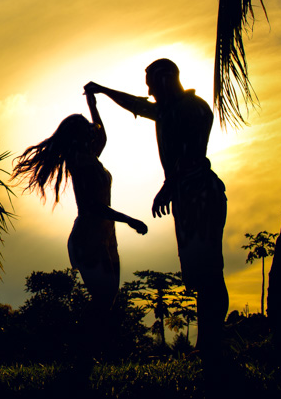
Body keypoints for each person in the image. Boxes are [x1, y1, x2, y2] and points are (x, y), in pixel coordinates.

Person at [84, 58, 229, 363]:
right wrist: (102, 91)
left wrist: (168, 185)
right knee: (200, 275)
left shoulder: (194, 109)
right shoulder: (166, 111)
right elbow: (135, 103)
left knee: (210, 273)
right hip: (186, 196)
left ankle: (213, 344)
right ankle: (207, 345)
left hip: (201, 193)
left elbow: (190, 152)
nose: (148, 89)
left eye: (151, 81)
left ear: (164, 80)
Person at [13, 91, 148, 316]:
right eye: (86, 125)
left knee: (108, 299)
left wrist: (92, 103)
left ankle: (95, 348)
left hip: (104, 235)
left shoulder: (91, 158)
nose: (91, 128)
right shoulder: (82, 163)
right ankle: (85, 346)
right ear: (79, 134)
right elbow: (93, 206)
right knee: (103, 300)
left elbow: (102, 136)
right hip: (89, 238)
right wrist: (130, 220)